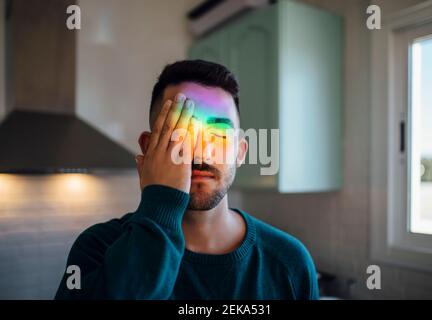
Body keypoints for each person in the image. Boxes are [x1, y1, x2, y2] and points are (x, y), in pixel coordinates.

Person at [55, 60, 319, 300]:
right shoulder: (96, 249)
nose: (201, 151)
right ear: (149, 148)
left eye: (218, 134)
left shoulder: (290, 263)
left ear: (240, 152)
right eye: (182, 132)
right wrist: (160, 202)